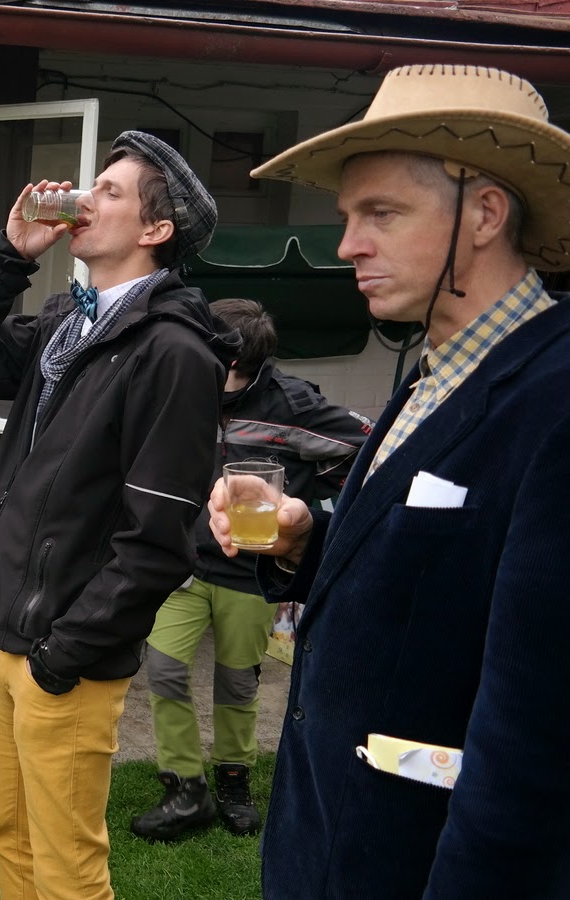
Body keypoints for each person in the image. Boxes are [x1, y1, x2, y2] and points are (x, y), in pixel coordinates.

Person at [207, 64, 570, 897]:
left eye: (381, 213)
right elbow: (439, 577)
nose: (347, 246)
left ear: (485, 213)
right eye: (347, 216)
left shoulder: (556, 397)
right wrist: (305, 537)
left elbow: (539, 735)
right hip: (331, 842)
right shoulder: (433, 372)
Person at [0, 131, 236, 900]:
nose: (85, 200)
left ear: (156, 229)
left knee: (68, 871)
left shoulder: (173, 353)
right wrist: (10, 258)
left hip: (65, 660)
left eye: (111, 192)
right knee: (9, 835)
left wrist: (66, 654)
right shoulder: (70, 321)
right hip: (3, 635)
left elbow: (158, 539)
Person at [130, 298, 371, 842]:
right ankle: (184, 785)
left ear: (238, 360)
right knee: (164, 670)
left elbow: (370, 448)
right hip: (183, 565)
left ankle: (233, 779)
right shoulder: (182, 389)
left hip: (249, 573)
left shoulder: (293, 404)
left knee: (237, 683)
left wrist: (313, 489)